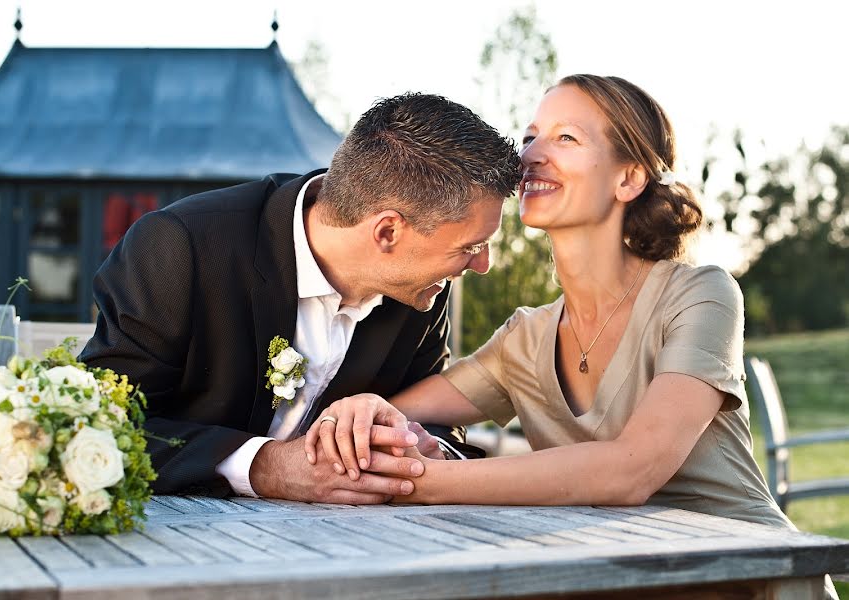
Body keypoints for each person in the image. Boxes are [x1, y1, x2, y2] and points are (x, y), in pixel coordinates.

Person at [307, 74, 800, 529]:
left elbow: (633, 470)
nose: (529, 156)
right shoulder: (524, 339)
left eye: (566, 138)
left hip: (751, 574)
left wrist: (421, 483)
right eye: (529, 138)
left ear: (628, 179)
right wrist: (360, 410)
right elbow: (392, 415)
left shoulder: (698, 295)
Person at [80, 93, 520, 502]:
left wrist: (426, 448)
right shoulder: (181, 248)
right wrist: (265, 467)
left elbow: (437, 420)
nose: (480, 265)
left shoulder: (420, 286)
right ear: (387, 231)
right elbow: (101, 423)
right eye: (470, 246)